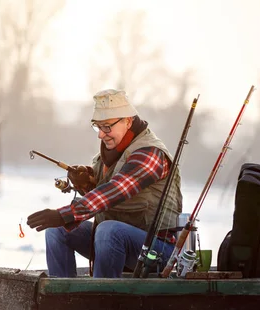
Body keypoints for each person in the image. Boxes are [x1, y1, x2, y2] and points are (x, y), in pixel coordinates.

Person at [26, 89, 183, 278]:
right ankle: (62, 297)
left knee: (108, 230)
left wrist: (64, 214)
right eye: (97, 127)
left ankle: (100, 298)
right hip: (113, 243)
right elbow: (104, 193)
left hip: (156, 251)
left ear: (128, 121)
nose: (101, 134)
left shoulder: (150, 154)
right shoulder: (111, 153)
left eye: (107, 126)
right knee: (57, 230)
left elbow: (114, 191)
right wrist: (86, 181)